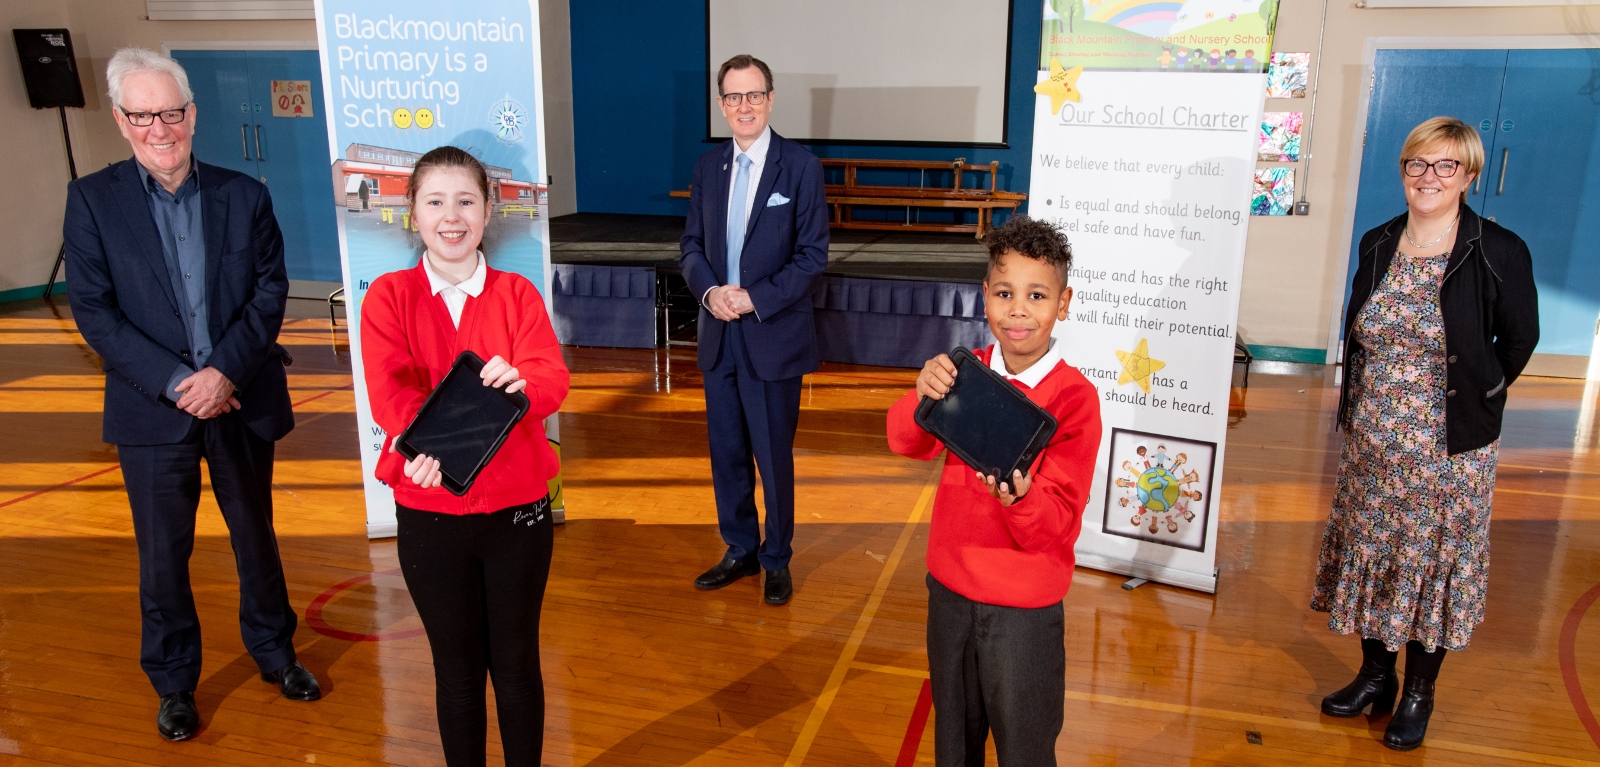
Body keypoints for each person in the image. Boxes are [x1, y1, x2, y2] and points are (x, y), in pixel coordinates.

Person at [62, 47, 317, 742]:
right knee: (162, 556)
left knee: (255, 537)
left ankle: (276, 653)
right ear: (121, 120)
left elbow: (268, 293)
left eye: (171, 112)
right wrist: (180, 383)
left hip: (239, 398)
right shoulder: (92, 201)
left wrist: (223, 373)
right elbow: (94, 313)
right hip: (153, 410)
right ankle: (174, 682)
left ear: (193, 115)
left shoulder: (245, 195)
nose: (160, 128)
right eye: (143, 115)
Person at [1312, 116, 1538, 750]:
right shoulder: (1379, 241)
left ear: (1469, 176)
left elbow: (1519, 339)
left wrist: (1481, 395)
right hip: (1372, 446)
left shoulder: (1498, 249)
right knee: (1375, 555)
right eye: (1417, 163)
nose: (1429, 177)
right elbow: (1361, 330)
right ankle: (1375, 676)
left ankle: (1418, 693)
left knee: (1430, 567)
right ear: (1404, 170)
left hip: (1449, 451)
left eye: (1446, 166)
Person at [360, 146, 569, 767]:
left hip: (516, 513)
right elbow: (390, 392)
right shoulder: (389, 297)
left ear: (487, 210)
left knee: (517, 665)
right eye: (435, 201)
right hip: (430, 513)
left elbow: (550, 377)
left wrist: (523, 385)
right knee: (455, 672)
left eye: (465, 201)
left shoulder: (517, 295)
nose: (451, 217)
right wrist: (431, 446)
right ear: (413, 212)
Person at [887, 216, 1102, 766]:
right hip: (950, 594)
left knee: (1025, 751)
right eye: (1005, 293)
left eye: (1037, 295)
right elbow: (905, 441)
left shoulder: (1075, 399)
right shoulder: (965, 374)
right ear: (984, 296)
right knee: (954, 747)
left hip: (1023, 613)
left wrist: (1021, 501)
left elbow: (1057, 523)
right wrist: (921, 394)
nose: (1018, 310)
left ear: (1064, 303)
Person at [680, 54, 828, 605]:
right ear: (722, 104)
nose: (744, 106)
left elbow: (812, 257)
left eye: (754, 95)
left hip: (772, 335)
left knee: (772, 456)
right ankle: (740, 548)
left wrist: (754, 298)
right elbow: (691, 246)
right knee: (727, 453)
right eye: (734, 97)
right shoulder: (708, 167)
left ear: (770, 99)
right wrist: (711, 293)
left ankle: (776, 558)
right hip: (719, 334)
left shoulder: (801, 167)